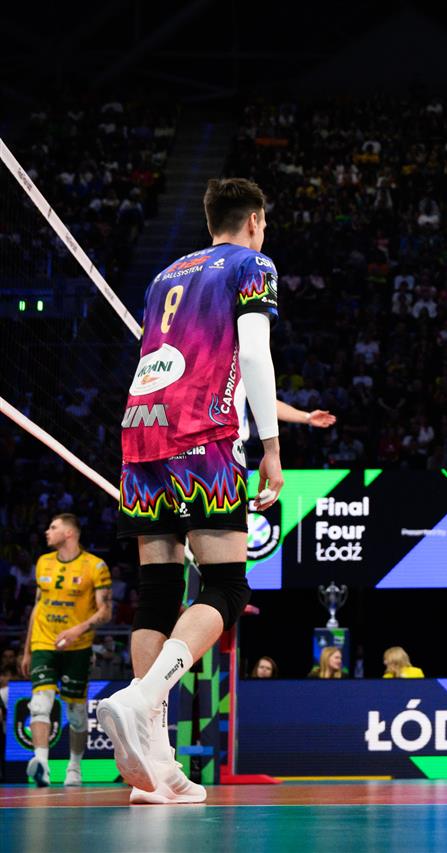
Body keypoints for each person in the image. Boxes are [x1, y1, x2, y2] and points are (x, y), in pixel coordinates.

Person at [101, 177, 283, 806]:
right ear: (254, 220)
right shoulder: (253, 264)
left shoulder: (164, 275)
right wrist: (271, 448)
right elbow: (253, 357)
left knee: (157, 590)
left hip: (141, 430)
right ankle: (143, 698)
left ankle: (156, 765)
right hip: (202, 434)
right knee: (227, 585)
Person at [20, 514, 112, 787]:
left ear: (70, 533)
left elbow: (106, 611)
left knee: (76, 714)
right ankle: (42, 765)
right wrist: (27, 649)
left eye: (53, 527)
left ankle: (74, 767)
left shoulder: (95, 566)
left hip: (77, 647)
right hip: (43, 642)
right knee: (40, 704)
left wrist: (77, 630)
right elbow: (37, 606)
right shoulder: (43, 562)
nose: (47, 532)